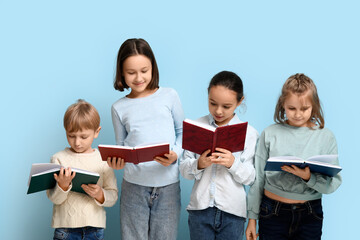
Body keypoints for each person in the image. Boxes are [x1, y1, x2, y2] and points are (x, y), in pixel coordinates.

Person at [245, 73, 342, 240]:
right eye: (292, 108)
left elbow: (333, 184)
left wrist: (309, 178)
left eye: (304, 109)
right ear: (283, 104)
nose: (298, 114)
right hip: (272, 213)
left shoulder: (326, 137)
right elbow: (258, 179)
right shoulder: (270, 133)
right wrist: (252, 218)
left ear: (314, 105)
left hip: (310, 215)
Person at [107, 38, 184, 240]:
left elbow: (183, 133)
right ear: (122, 73)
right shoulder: (118, 107)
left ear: (153, 68)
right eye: (131, 73)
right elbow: (120, 146)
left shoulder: (170, 96)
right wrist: (117, 161)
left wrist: (176, 154)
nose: (138, 77)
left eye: (144, 70)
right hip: (133, 187)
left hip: (167, 185)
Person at [180, 71, 259, 240]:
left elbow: (251, 178)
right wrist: (199, 164)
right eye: (212, 103)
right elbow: (184, 171)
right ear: (207, 94)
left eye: (226, 106)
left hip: (233, 213)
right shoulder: (196, 127)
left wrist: (232, 163)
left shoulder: (249, 134)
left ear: (240, 101)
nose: (218, 111)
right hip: (199, 210)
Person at [47, 99, 118, 240]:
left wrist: (100, 194)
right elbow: (54, 198)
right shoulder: (58, 159)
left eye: (83, 137)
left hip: (95, 231)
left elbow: (113, 196)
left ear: (96, 132)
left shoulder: (103, 159)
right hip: (65, 230)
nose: (77, 142)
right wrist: (63, 186)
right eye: (71, 136)